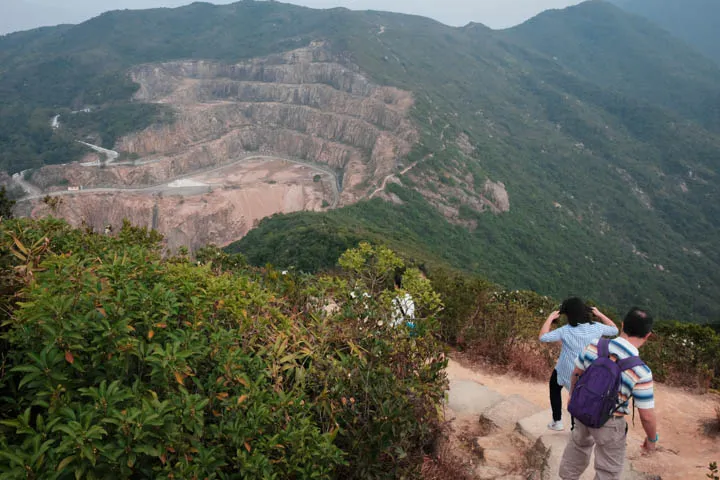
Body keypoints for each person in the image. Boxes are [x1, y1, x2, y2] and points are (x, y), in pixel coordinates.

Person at [559, 308, 657, 480]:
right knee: (608, 470)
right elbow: (647, 416)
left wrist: (572, 397)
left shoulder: (595, 345)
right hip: (610, 423)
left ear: (623, 325)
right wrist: (651, 439)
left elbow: (576, 373)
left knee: (577, 447)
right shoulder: (641, 371)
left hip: (582, 409)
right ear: (648, 335)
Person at [539, 298, 619, 431]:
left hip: (564, 369)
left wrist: (550, 317)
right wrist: (599, 314)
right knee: (577, 398)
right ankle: (574, 428)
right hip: (587, 372)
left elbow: (543, 337)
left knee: (555, 388)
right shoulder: (597, 327)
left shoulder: (565, 330)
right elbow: (614, 330)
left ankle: (557, 421)